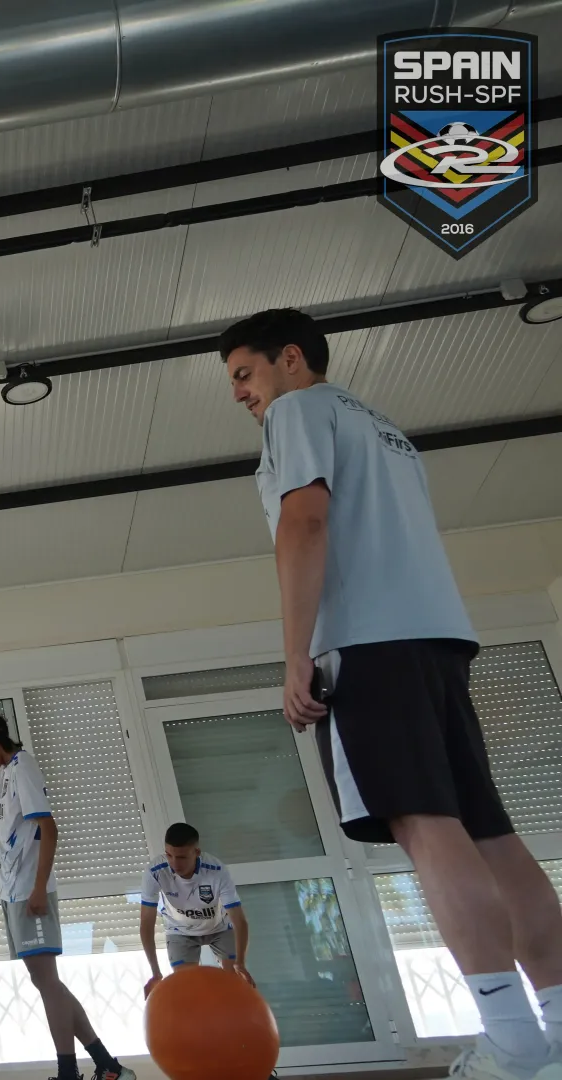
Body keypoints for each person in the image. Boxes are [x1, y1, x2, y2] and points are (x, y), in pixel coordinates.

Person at [221, 308, 562, 1080]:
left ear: (290, 358)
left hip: (366, 645)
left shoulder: (297, 412)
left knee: (427, 826)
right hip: (437, 639)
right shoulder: (385, 431)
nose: (239, 393)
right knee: (490, 834)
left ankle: (513, 1042)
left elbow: (304, 525)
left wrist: (296, 655)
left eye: (244, 374)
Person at [0, 715, 129, 1080]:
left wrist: (38, 887)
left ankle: (69, 1070)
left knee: (48, 982)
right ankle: (107, 1065)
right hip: (12, 891)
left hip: (30, 889)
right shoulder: (1, 771)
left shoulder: (23, 768)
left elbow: (49, 829)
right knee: (46, 983)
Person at [138, 823, 250, 994]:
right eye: (169, 855)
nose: (175, 863)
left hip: (219, 927)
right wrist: (155, 972)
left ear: (197, 852)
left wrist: (240, 963)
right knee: (188, 986)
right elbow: (146, 922)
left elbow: (239, 920)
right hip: (180, 931)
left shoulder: (217, 870)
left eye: (182, 857)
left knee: (233, 982)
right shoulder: (155, 871)